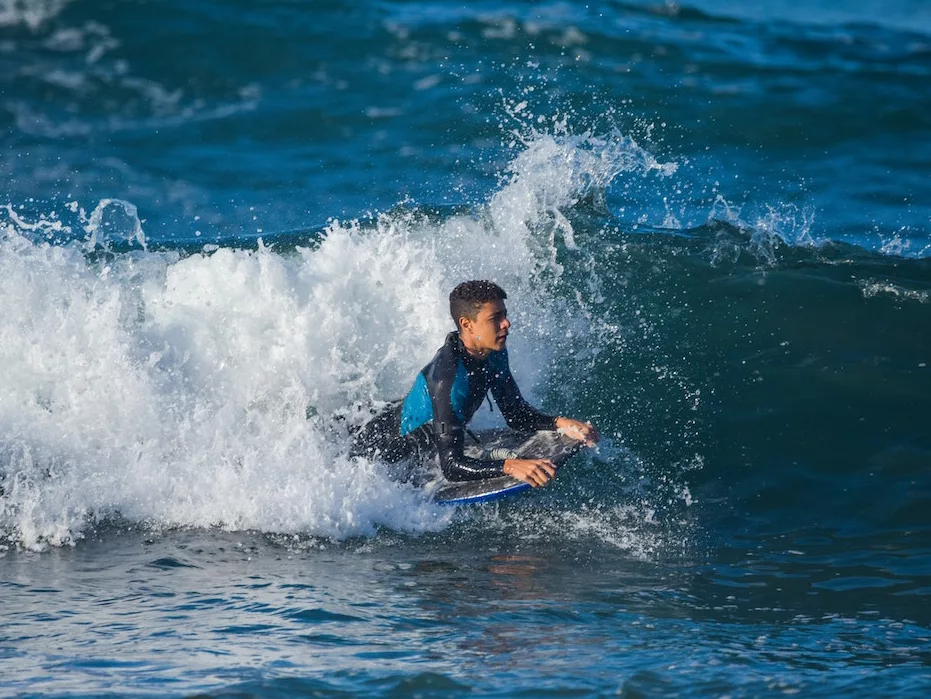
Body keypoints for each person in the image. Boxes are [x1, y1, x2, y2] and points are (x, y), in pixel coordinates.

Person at [351, 280, 599, 487]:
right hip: (384, 449)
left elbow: (515, 415)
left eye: (505, 314)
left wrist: (558, 423)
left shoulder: (493, 351)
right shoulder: (449, 379)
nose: (506, 324)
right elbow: (451, 466)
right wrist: (511, 466)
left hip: (423, 428)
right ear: (466, 325)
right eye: (495, 318)